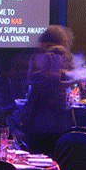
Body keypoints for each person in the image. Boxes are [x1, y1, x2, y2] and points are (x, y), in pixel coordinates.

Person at [21, 25, 74, 156]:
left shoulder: (39, 78)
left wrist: (23, 126)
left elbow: (32, 107)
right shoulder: (68, 77)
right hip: (65, 132)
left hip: (40, 130)